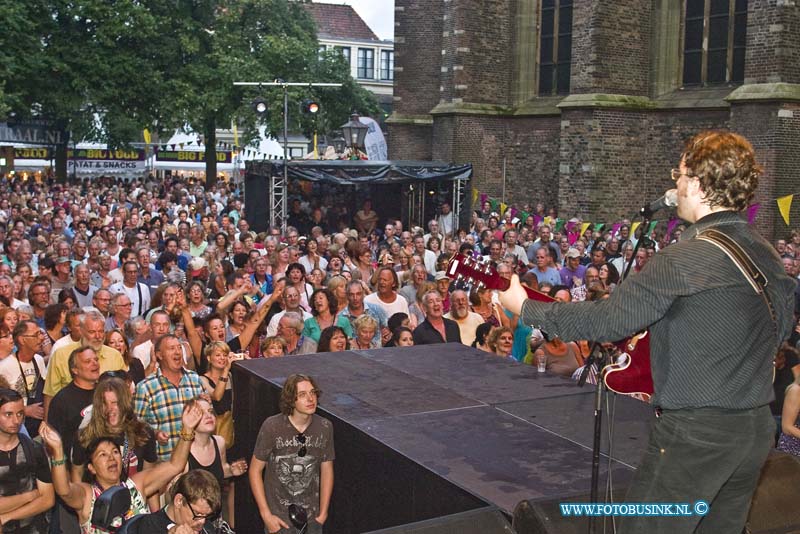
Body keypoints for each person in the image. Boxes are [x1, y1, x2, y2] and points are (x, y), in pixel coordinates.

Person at [499, 131, 796, 533]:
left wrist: (526, 307)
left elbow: (608, 322)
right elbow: (781, 327)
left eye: (679, 174)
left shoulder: (684, 258)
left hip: (696, 435)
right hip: (755, 429)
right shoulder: (766, 252)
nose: (674, 184)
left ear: (694, 182)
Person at [39, 401, 203, 533]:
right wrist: (58, 452)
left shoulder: (136, 485)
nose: (111, 457)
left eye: (115, 452)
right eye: (102, 455)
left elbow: (175, 465)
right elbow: (64, 490)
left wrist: (187, 430)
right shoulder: (88, 495)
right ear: (92, 468)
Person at [250, 374, 334, 534]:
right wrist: (266, 515)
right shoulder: (272, 427)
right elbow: (255, 470)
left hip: (312, 519)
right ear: (291, 399)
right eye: (302, 394)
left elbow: (327, 469)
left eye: (313, 392)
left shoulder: (325, 426)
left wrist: (323, 513)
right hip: (279, 518)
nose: (310, 398)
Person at [134, 334, 206, 461]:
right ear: (159, 355)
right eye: (171, 348)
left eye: (179, 347)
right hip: (165, 463)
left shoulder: (194, 379)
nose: (177, 352)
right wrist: (154, 434)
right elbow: (136, 426)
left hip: (196, 460)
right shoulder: (145, 387)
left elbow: (207, 415)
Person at [0, 388, 55, 532]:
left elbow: (48, 499)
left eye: (20, 414)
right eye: (8, 414)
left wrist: (7, 516)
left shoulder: (32, 449)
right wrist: (31, 495)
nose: (16, 420)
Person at [131, 469, 222, 533]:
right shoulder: (149, 525)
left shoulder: (208, 528)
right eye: (197, 514)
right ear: (179, 501)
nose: (202, 522)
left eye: (206, 515)